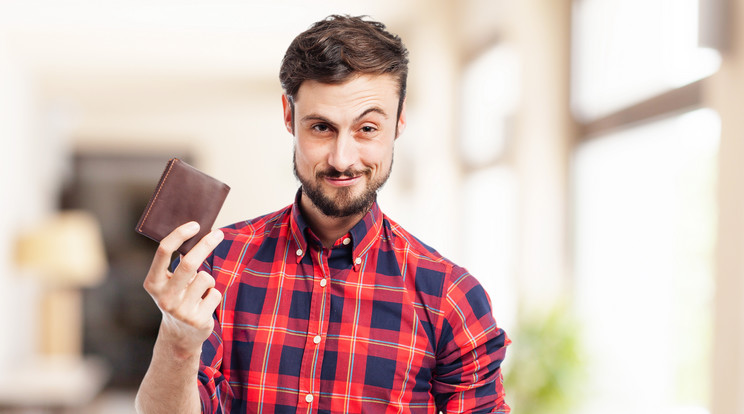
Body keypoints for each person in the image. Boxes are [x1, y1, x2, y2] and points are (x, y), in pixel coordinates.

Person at [135, 15, 510, 414]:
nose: (342, 159)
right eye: (321, 128)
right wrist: (178, 340)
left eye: (367, 128)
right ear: (288, 116)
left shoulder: (452, 298)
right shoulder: (218, 266)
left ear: (399, 122)